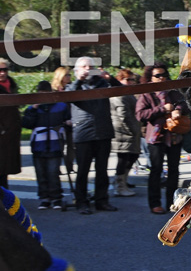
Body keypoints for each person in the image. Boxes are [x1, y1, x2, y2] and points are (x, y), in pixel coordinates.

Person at [66, 56, 120, 214]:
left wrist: (110, 77)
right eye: (84, 67)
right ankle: (81, 202)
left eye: (90, 67)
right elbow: (69, 98)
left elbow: (121, 90)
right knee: (83, 171)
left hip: (103, 132)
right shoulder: (73, 86)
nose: (88, 70)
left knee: (102, 170)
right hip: (84, 134)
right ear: (76, 70)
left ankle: (101, 200)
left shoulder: (102, 84)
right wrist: (79, 80)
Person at [135, 64, 188, 214]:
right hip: (156, 138)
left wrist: (178, 110)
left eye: (164, 74)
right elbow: (140, 114)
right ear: (150, 78)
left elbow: (184, 104)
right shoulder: (146, 93)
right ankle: (155, 203)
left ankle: (173, 202)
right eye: (157, 75)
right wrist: (162, 110)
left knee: (174, 171)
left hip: (174, 136)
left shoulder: (173, 90)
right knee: (156, 171)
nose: (161, 77)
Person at [21, 81, 69, 210]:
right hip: (38, 145)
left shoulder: (61, 106)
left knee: (53, 172)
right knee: (41, 172)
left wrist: (67, 123)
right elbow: (26, 124)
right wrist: (34, 110)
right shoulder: (32, 109)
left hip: (55, 143)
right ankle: (44, 198)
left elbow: (67, 120)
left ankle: (56, 197)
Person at [110, 69, 142, 197]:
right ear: (120, 80)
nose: (130, 82)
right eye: (127, 79)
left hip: (131, 130)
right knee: (123, 159)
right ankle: (119, 185)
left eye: (132, 80)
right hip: (123, 131)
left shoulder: (127, 93)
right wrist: (133, 130)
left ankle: (123, 181)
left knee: (132, 156)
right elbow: (123, 115)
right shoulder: (119, 94)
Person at [0, 58, 21, 188]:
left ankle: (4, 202)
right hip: (2, 133)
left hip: (10, 135)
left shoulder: (11, 86)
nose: (2, 73)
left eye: (4, 69)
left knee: (4, 172)